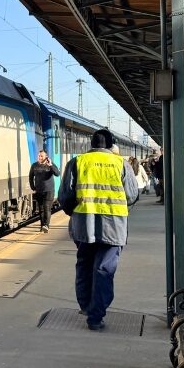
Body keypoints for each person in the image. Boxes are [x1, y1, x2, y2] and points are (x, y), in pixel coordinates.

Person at [58, 129, 139, 331]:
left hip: (84, 225)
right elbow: (131, 195)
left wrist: (74, 213)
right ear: (111, 145)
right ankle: (96, 316)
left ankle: (86, 306)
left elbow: (65, 197)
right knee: (104, 269)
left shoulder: (77, 163)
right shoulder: (122, 164)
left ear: (91, 144)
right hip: (114, 227)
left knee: (84, 265)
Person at [29, 150, 60, 233]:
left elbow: (57, 174)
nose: (39, 157)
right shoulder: (34, 166)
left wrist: (51, 165)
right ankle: (42, 226)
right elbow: (31, 177)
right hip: (39, 190)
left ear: (46, 157)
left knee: (46, 208)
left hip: (49, 191)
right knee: (41, 209)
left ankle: (46, 225)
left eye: (41, 156)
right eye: (39, 156)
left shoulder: (50, 165)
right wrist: (33, 187)